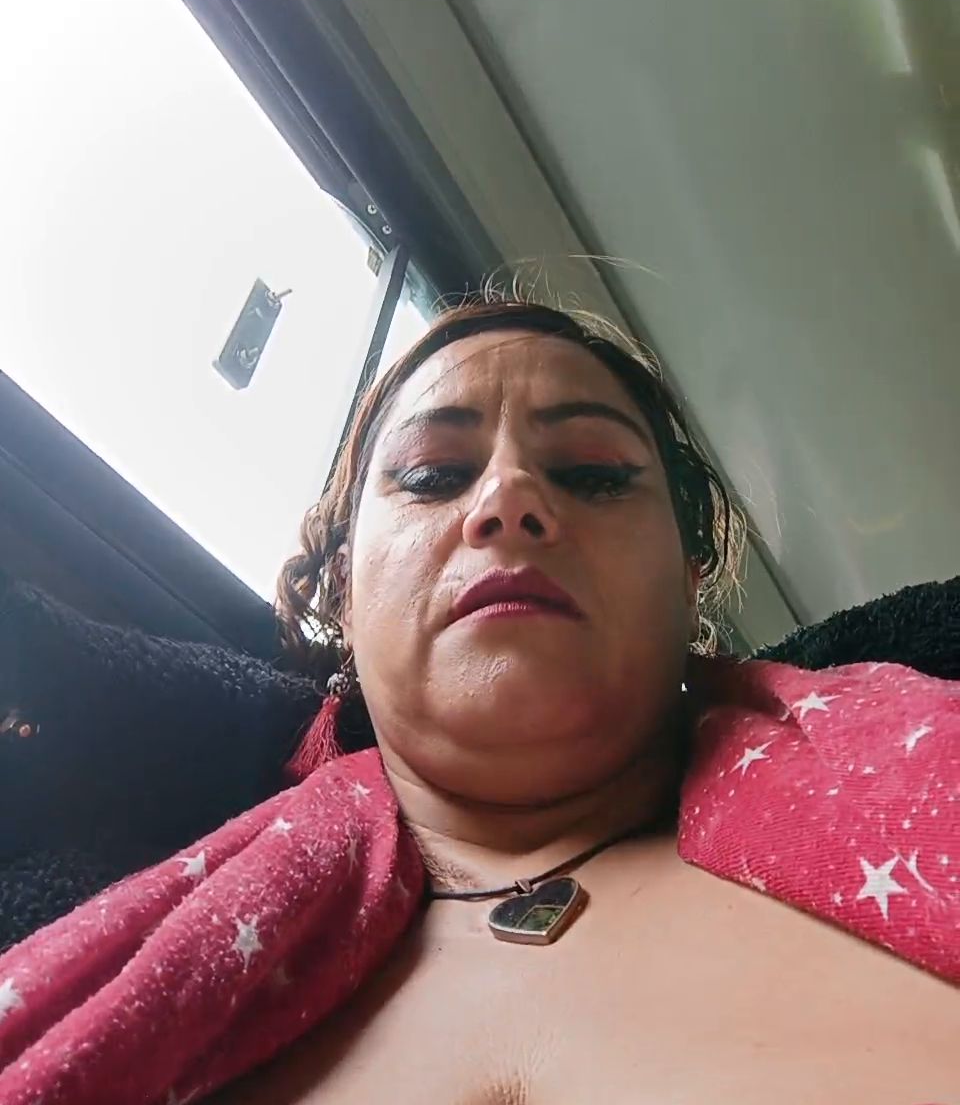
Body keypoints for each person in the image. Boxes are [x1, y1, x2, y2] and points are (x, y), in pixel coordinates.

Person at [0, 298, 956, 1105]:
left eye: (593, 474)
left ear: (688, 577)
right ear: (344, 590)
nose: (509, 498)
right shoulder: (142, 958)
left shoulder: (913, 772)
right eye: (431, 476)